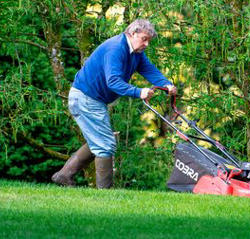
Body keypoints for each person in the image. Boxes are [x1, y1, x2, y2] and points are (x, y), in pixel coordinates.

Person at [51, 18, 176, 189]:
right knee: (105, 145)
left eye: (149, 40)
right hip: (85, 98)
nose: (147, 44)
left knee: (99, 140)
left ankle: (64, 175)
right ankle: (105, 194)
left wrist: (166, 84)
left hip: (93, 99)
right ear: (133, 33)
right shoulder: (116, 48)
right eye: (144, 39)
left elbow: (148, 69)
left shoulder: (136, 53)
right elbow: (113, 82)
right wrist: (139, 92)